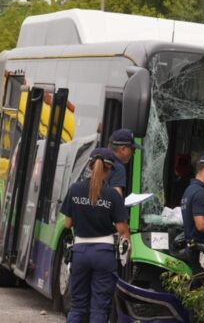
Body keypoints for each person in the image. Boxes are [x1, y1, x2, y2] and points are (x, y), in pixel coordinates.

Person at [60, 148, 129, 323]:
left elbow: (67, 223)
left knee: (77, 306)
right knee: (99, 308)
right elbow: (122, 230)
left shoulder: (75, 189)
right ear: (109, 169)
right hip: (104, 254)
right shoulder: (113, 195)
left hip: (80, 252)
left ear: (90, 166)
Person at [106, 128, 143, 196]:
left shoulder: (96, 160)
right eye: (132, 149)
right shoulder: (118, 168)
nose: (134, 153)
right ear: (123, 149)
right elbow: (116, 198)